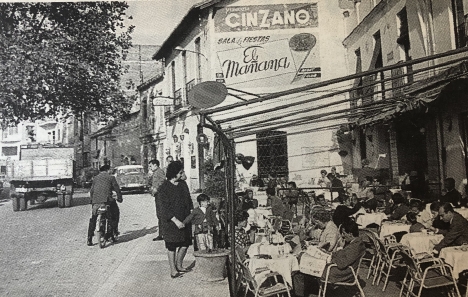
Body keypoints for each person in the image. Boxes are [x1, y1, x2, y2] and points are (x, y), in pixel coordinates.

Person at [158, 161, 193, 278]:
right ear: (173, 173)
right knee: (172, 245)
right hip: (171, 222)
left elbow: (189, 200)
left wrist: (191, 212)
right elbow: (164, 208)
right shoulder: (164, 188)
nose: (182, 174)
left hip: (185, 218)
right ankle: (173, 270)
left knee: (185, 243)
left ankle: (179, 265)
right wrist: (176, 221)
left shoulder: (183, 184)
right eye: (180, 172)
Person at [87, 164, 123, 246]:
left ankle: (89, 238)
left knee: (93, 219)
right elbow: (117, 189)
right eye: (110, 169)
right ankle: (111, 234)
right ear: (107, 170)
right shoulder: (111, 178)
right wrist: (120, 199)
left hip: (95, 202)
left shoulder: (95, 178)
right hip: (107, 201)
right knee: (114, 215)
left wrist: (92, 201)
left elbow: (92, 191)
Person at [323, 219, 366, 283]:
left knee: (315, 268)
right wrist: (331, 254)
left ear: (350, 234)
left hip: (343, 273)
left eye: (344, 233)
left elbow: (342, 264)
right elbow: (343, 255)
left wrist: (331, 258)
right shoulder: (355, 243)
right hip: (343, 270)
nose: (342, 235)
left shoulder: (355, 247)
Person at [149, 159, 166, 241]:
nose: (150, 168)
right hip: (157, 195)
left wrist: (156, 188)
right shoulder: (155, 172)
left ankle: (163, 234)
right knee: (159, 215)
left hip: (161, 195)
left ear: (155, 165)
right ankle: (161, 234)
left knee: (161, 214)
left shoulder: (159, 171)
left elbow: (163, 181)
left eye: (151, 166)